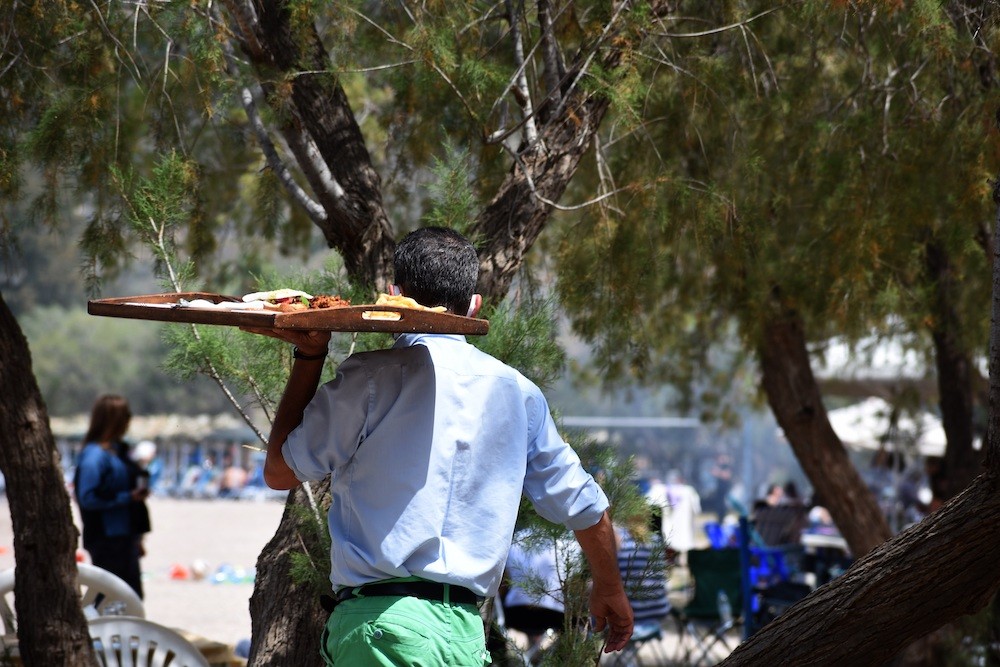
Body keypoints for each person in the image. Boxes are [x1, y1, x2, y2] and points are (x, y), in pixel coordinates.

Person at [244, 227, 633, 665]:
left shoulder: (369, 378)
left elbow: (279, 471)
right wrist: (610, 587)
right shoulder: (519, 392)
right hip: (463, 637)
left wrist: (310, 358)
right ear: (474, 306)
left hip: (380, 631)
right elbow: (586, 506)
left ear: (394, 295)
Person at [74, 394, 149, 598]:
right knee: (110, 598)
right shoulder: (94, 456)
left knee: (131, 597)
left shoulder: (117, 452)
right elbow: (87, 497)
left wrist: (137, 538)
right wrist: (127, 497)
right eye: (125, 415)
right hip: (107, 539)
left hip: (124, 537)